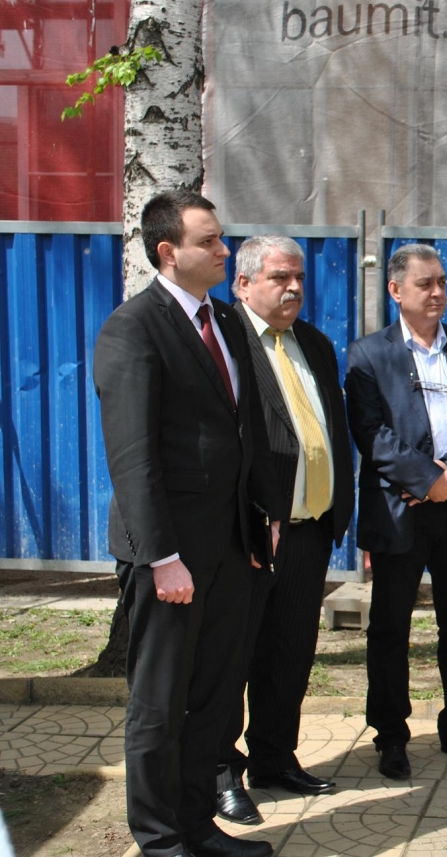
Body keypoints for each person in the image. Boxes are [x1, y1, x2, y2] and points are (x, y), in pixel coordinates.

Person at [93, 190, 279, 857]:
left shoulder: (224, 320)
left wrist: (261, 518)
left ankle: (199, 823)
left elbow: (247, 427)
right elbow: (133, 456)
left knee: (215, 694)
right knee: (160, 701)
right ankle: (160, 839)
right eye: (210, 241)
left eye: (222, 237)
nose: (225, 250)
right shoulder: (132, 329)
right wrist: (161, 557)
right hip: (169, 555)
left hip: (230, 547)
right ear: (169, 252)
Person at [345, 243, 447, 779]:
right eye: (425, 284)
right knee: (390, 628)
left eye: (441, 282)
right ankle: (391, 735)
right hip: (399, 510)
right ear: (396, 290)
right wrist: (423, 479)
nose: (438, 292)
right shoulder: (369, 354)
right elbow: (370, 432)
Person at [214, 236, 355, 824]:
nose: (294, 287)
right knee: (232, 657)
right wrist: (251, 518)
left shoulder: (313, 342)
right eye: (279, 277)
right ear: (243, 284)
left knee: (290, 653)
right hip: (250, 535)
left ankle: (275, 757)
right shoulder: (225, 340)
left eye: (298, 277)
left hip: (309, 531)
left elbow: (330, 429)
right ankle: (222, 772)